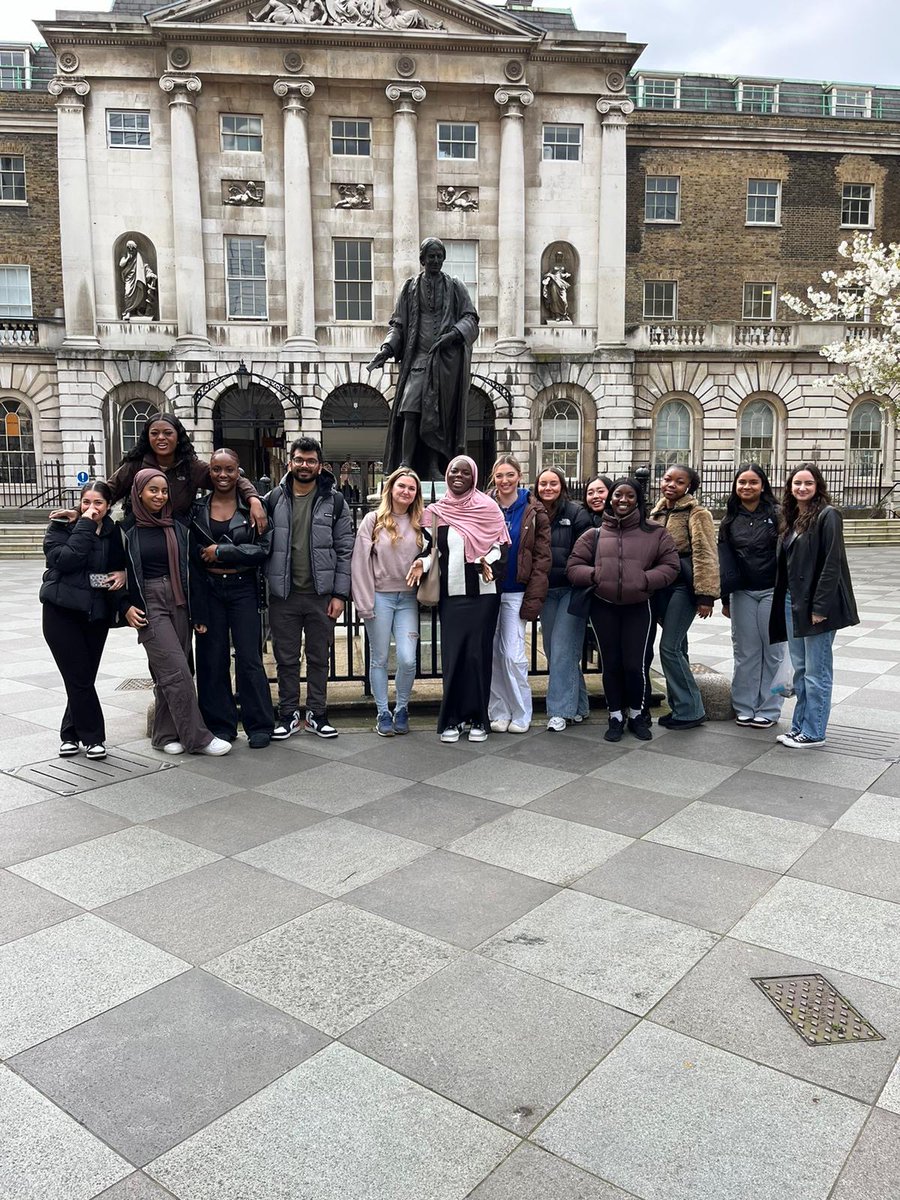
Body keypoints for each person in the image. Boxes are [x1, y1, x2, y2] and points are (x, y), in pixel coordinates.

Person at [122, 470, 231, 756]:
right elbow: (113, 572)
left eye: (164, 491)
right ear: (139, 492)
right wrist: (124, 607)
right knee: (177, 671)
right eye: (152, 490)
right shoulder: (125, 530)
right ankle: (198, 738)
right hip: (149, 603)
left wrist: (201, 614)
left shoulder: (179, 527)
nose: (159, 496)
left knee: (171, 671)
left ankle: (163, 734)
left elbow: (195, 572)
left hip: (180, 601)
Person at [567, 478, 679, 742]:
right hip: (603, 607)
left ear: (638, 500)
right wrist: (595, 575)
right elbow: (573, 566)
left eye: (630, 496)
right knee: (612, 664)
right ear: (611, 498)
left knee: (635, 665)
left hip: (639, 607)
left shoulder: (655, 532)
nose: (623, 500)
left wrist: (645, 580)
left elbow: (671, 565)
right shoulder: (593, 534)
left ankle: (638, 714)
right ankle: (615, 714)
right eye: (618, 495)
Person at [264, 437, 354, 739]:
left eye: (311, 461)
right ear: (291, 462)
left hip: (321, 596)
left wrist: (340, 594)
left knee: (319, 658)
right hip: (284, 596)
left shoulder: (335, 500)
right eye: (299, 460)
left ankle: (318, 713)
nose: (305, 465)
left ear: (320, 465)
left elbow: (345, 549)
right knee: (286, 659)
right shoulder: (273, 499)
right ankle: (287, 714)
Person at [367, 237, 479, 479]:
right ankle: (405, 464)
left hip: (445, 364)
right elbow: (397, 324)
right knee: (409, 408)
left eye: (439, 256)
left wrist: (453, 335)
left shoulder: (455, 286)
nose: (436, 260)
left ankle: (432, 467)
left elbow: (471, 318)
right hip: (417, 359)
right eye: (431, 256)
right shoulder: (409, 288)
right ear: (422, 259)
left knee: (436, 415)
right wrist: (386, 349)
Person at [420, 456, 509, 742]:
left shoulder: (489, 508)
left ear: (474, 476)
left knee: (478, 655)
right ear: (447, 476)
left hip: (484, 596)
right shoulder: (434, 513)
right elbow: (428, 550)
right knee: (454, 656)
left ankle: (478, 719)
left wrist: (487, 561)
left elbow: (501, 545)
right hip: (452, 597)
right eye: (454, 471)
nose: (459, 476)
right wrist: (418, 564)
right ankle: (452, 719)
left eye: (465, 472)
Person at [770, 463, 859, 748]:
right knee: (800, 670)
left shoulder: (828, 515)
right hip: (791, 602)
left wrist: (820, 607)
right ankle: (799, 727)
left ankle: (815, 731)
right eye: (797, 483)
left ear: (818, 486)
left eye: (808, 483)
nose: (802, 488)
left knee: (816, 672)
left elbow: (832, 564)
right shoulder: (792, 517)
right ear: (790, 487)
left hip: (816, 606)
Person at [40, 480, 130, 760]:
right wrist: (85, 525)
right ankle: (93, 738)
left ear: (108, 505)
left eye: (98, 503)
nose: (92, 508)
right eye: (86, 502)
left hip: (94, 614)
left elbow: (100, 577)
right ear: (79, 503)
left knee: (82, 677)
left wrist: (121, 576)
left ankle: (69, 733)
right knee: (78, 676)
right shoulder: (60, 527)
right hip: (60, 612)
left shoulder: (114, 533)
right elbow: (66, 562)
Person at [191, 448, 274, 749]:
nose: (223, 475)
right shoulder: (197, 508)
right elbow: (191, 556)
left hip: (242, 586)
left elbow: (263, 549)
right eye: (216, 469)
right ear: (209, 472)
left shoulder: (255, 507)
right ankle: (220, 724)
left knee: (250, 658)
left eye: (229, 469)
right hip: (210, 588)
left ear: (239, 472)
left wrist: (222, 551)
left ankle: (260, 724)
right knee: (212, 660)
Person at [351, 467, 430, 737]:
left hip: (408, 597)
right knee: (380, 658)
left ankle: (402, 708)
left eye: (411, 488)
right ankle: (383, 712)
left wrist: (424, 562)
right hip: (380, 597)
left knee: (408, 660)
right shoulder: (373, 521)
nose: (406, 491)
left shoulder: (423, 521)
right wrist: (363, 603)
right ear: (391, 489)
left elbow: (436, 552)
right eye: (402, 486)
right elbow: (359, 563)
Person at [106, 413, 267, 530]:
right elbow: (108, 491)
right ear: (147, 437)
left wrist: (254, 500)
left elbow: (230, 478)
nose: (161, 437)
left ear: (178, 437)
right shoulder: (136, 465)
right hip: (140, 534)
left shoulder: (190, 466)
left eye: (168, 433)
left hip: (177, 535)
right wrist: (82, 510)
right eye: (154, 433)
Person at [649, 465, 720, 729]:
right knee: (680, 649)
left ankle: (691, 709)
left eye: (679, 481)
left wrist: (706, 595)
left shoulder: (697, 513)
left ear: (688, 486)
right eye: (668, 479)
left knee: (668, 648)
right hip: (661, 588)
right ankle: (680, 706)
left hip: (684, 587)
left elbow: (705, 553)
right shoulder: (656, 513)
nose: (671, 484)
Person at [718, 464, 788, 729]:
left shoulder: (778, 515)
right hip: (742, 592)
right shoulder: (729, 520)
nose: (747, 487)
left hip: (773, 590)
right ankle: (745, 706)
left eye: (753, 482)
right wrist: (725, 599)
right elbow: (725, 560)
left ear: (763, 486)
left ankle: (769, 709)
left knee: (773, 652)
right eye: (742, 482)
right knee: (746, 652)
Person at [487, 454, 551, 734]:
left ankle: (522, 711)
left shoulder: (534, 510)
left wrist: (533, 598)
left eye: (509, 475)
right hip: (488, 591)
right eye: (499, 475)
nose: (504, 481)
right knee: (492, 655)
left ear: (519, 476)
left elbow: (542, 558)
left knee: (513, 655)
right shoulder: (485, 505)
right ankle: (499, 710)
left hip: (516, 591)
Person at [535, 467, 592, 731]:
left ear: (562, 486)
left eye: (553, 483)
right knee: (556, 650)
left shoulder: (576, 513)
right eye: (543, 483)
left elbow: (586, 550)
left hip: (571, 590)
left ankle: (559, 711)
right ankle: (579, 705)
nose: (548, 488)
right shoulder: (533, 512)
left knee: (562, 650)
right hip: (546, 591)